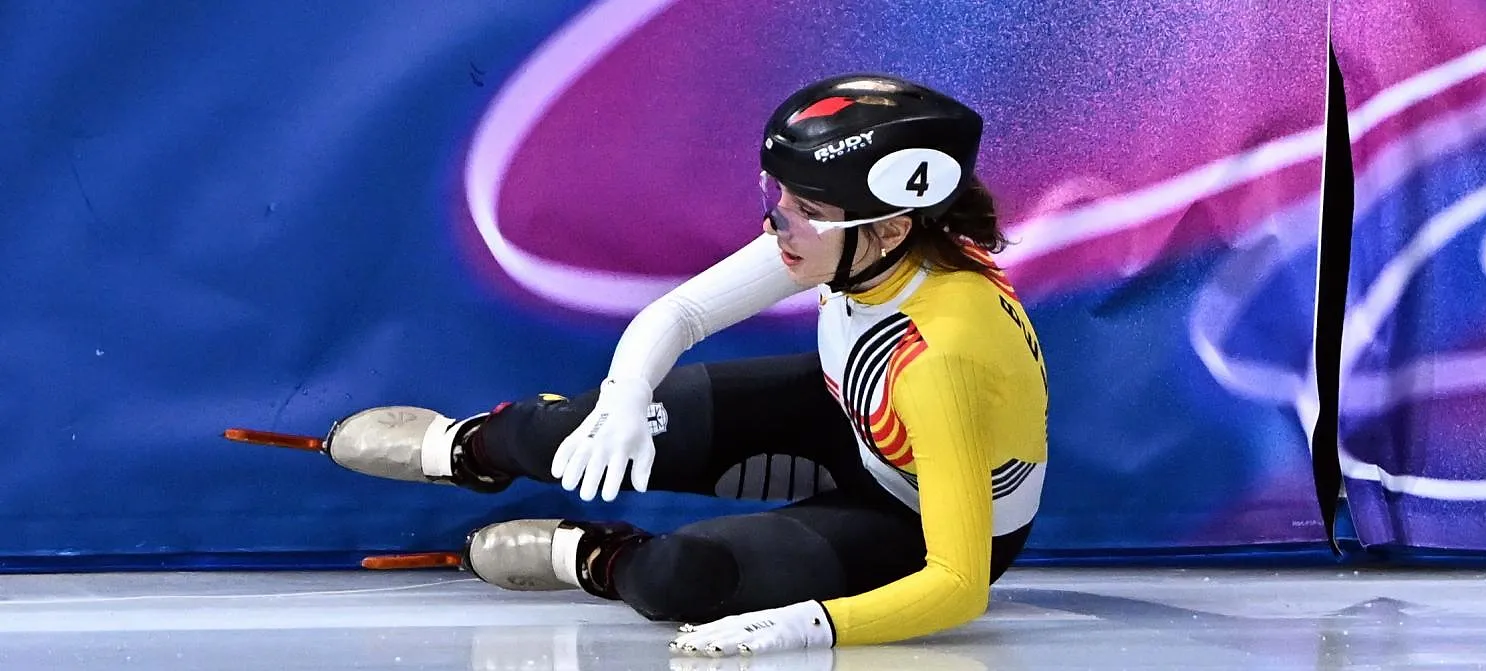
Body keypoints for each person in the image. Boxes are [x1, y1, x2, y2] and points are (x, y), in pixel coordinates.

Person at [320, 73, 1049, 657]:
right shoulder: (862, 247)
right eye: (776, 196)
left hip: (918, 519)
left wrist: (808, 627)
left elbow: (959, 584)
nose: (777, 224)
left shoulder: (942, 354)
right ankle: (472, 446)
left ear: (889, 228)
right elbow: (681, 314)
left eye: (805, 209)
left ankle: (599, 556)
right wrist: (625, 398)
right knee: (577, 424)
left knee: (679, 576)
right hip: (856, 419)